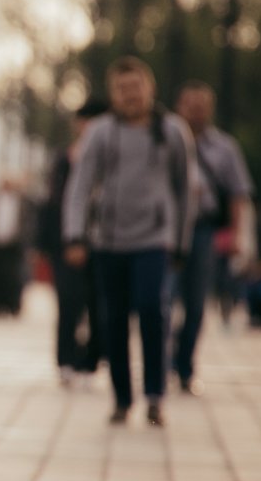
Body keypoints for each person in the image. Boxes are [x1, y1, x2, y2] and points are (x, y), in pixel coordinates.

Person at [62, 57, 195, 426]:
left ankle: (155, 394)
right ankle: (122, 398)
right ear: (113, 95)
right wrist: (75, 235)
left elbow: (185, 190)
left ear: (149, 88)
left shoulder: (171, 131)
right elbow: (80, 185)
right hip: (109, 240)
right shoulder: (101, 132)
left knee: (153, 310)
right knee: (112, 320)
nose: (130, 95)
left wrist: (181, 241)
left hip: (155, 238)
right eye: (122, 89)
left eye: (135, 87)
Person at [172, 81, 254, 395]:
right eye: (191, 105)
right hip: (166, 230)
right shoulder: (165, 140)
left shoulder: (224, 147)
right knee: (162, 299)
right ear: (180, 106)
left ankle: (184, 366)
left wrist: (236, 235)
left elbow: (238, 194)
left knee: (195, 303)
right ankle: (164, 361)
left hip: (203, 231)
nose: (196, 112)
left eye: (202, 106)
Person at [36, 96, 107, 385]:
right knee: (68, 303)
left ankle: (90, 362)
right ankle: (66, 360)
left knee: (100, 306)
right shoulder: (64, 158)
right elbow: (52, 203)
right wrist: (48, 243)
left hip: (103, 242)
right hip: (65, 243)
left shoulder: (112, 157)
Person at [0, 176, 34, 316]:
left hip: (14, 244)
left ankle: (13, 305)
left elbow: (28, 223)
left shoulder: (21, 201)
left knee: (13, 277)